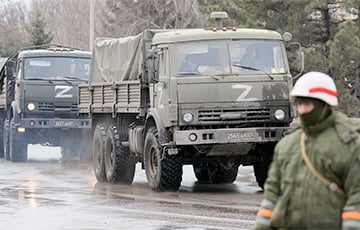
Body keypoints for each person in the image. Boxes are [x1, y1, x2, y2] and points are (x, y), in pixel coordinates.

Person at [255, 71, 360, 230]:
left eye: (308, 105)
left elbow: (356, 195)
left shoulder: (348, 143)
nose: (302, 110)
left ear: (325, 105)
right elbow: (273, 191)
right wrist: (262, 225)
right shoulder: (288, 145)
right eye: (299, 104)